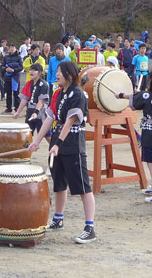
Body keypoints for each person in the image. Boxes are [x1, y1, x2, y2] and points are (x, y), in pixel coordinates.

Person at [28, 61, 96, 244]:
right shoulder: (58, 93)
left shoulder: (79, 94)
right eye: (56, 71)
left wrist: (57, 143)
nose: (57, 74)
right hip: (58, 144)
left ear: (70, 75)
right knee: (59, 183)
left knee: (82, 187)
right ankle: (58, 218)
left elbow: (70, 121)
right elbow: (50, 118)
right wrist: (36, 141)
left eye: (60, 71)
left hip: (73, 145)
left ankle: (90, 227)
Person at [115, 70, 152, 203]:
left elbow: (135, 100)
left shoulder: (146, 95)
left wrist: (120, 95)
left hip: (150, 132)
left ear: (151, 81)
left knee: (151, 164)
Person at [14, 63, 50, 142]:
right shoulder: (29, 83)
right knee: (27, 135)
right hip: (30, 111)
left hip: (41, 113)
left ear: (39, 73)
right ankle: (26, 153)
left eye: (34, 70)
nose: (31, 72)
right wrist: (18, 112)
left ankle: (56, 151)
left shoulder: (44, 84)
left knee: (47, 136)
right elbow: (24, 99)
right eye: (30, 70)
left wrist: (36, 112)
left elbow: (41, 101)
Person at [0, 44, 23, 113]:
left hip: (15, 77)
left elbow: (21, 67)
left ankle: (17, 107)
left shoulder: (19, 57)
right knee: (8, 93)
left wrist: (13, 70)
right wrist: (6, 69)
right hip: (7, 78)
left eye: (13, 48)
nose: (12, 49)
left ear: (16, 49)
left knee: (16, 93)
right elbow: (2, 66)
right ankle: (8, 108)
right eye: (10, 48)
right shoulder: (6, 57)